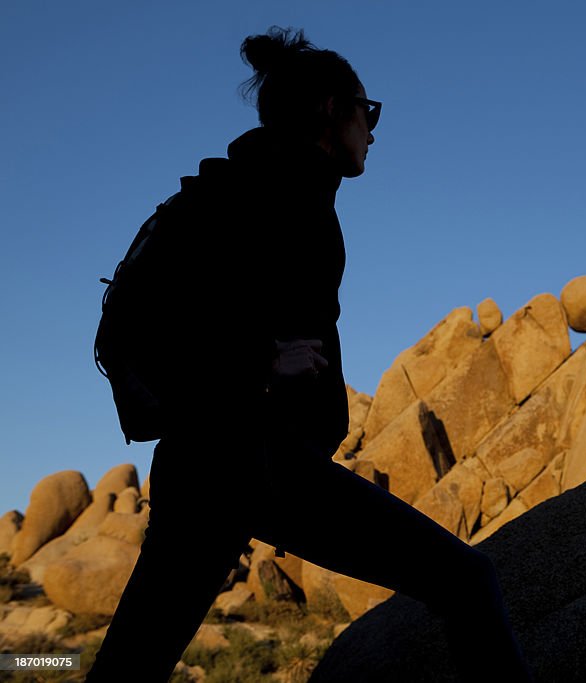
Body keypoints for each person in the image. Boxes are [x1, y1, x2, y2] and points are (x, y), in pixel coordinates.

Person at [86, 27, 533, 682]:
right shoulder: (272, 194)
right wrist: (262, 364)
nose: (374, 130)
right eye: (368, 111)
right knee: (467, 579)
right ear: (331, 109)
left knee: (129, 666)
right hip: (245, 458)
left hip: (217, 463)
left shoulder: (261, 188)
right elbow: (171, 320)